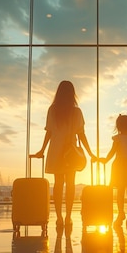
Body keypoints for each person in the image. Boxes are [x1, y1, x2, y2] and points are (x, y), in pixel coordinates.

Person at [32, 80, 95, 230]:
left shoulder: (52, 110)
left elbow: (49, 132)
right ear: (73, 93)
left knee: (58, 184)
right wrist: (90, 152)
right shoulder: (77, 111)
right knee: (71, 183)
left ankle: (59, 217)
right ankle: (68, 217)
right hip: (71, 152)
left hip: (56, 150)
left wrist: (42, 150)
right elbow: (82, 135)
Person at [99, 114, 127, 226]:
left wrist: (105, 160)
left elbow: (112, 152)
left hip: (119, 166)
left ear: (118, 126)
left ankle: (121, 213)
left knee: (120, 191)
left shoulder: (118, 139)